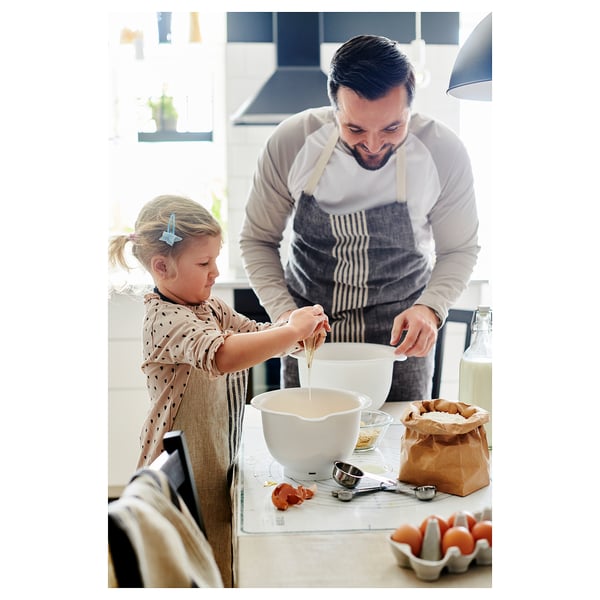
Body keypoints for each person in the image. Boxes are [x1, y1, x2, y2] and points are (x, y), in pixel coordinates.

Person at [239, 34, 480, 402]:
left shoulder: (443, 152)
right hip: (311, 344)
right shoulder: (291, 142)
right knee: (311, 452)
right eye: (354, 129)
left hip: (400, 347)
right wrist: (286, 317)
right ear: (334, 106)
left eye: (391, 128)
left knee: (400, 453)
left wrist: (430, 309)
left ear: (410, 109)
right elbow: (257, 241)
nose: (372, 144)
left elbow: (460, 249)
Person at [108, 195, 329, 586]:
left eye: (215, 259)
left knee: (222, 551)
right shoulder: (165, 319)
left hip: (214, 452)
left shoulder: (210, 307)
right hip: (180, 468)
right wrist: (290, 330)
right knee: (193, 565)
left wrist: (297, 334)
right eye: (204, 263)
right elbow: (224, 355)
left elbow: (257, 335)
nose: (215, 272)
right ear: (162, 267)